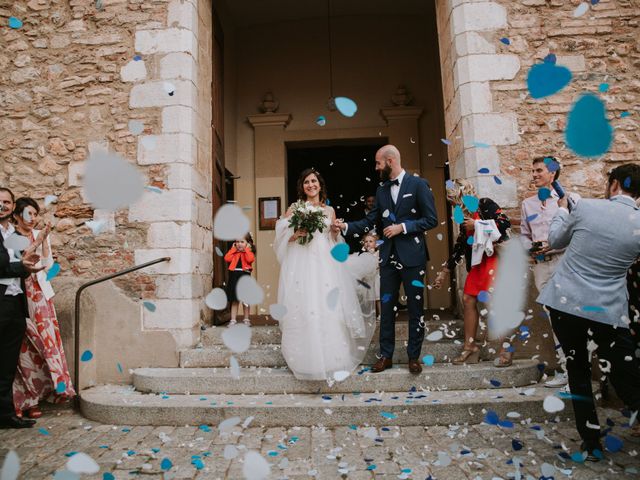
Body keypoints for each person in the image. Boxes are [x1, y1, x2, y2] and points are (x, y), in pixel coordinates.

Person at [537, 163, 640, 459]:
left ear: (615, 185)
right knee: (623, 368)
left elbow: (556, 240)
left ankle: (592, 443)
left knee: (578, 370)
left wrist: (561, 211)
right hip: (608, 309)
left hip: (566, 303)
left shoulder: (586, 208)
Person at [335, 145, 438, 374]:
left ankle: (414, 356)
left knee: (415, 308)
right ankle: (386, 355)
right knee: (387, 308)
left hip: (413, 257)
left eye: (378, 163)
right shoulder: (381, 190)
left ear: (390, 161)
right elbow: (370, 221)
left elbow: (432, 219)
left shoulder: (418, 185)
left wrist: (403, 227)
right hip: (388, 259)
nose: (376, 167)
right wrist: (345, 226)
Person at [274, 168, 377, 381]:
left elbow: (333, 241)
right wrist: (295, 234)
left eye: (314, 181)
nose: (310, 185)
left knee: (327, 307)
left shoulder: (329, 211)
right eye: (306, 182)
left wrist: (336, 232)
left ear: (320, 185)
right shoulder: (295, 208)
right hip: (302, 262)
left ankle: (332, 359)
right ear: (302, 187)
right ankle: (305, 360)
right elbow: (281, 238)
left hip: (324, 264)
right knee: (303, 305)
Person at [434, 179, 513, 366]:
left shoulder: (485, 204)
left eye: (451, 198)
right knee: (468, 300)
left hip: (494, 259)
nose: (450, 202)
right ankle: (470, 348)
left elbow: (504, 223)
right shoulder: (462, 216)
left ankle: (505, 350)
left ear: (459, 195)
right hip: (478, 264)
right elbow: (461, 245)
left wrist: (477, 225)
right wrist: (444, 271)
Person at [11, 197, 75, 418]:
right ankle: (25, 400)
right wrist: (38, 244)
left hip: (41, 295)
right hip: (20, 293)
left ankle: (52, 391)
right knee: (23, 348)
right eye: (29, 214)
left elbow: (49, 266)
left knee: (46, 344)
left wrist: (45, 260)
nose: (33, 219)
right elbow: (21, 262)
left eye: (35, 214)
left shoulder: (40, 235)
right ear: (17, 216)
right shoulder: (12, 237)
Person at [520, 157, 578, 388]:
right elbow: (524, 234)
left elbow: (577, 232)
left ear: (552, 174)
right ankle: (565, 369)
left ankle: (575, 371)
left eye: (539, 171)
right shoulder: (528, 204)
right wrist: (530, 249)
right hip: (541, 267)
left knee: (569, 316)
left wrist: (554, 245)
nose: (534, 175)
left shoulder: (568, 200)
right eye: (532, 171)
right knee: (554, 319)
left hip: (564, 262)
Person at [0, 188, 44, 429]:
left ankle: (5, 416)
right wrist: (22, 267)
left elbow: (21, 263)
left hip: (16, 305)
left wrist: (29, 267)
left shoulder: (15, 234)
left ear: (12, 205)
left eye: (7, 202)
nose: (3, 206)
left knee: (7, 365)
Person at [224, 233, 255, 326]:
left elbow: (250, 259)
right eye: (237, 242)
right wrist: (233, 249)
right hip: (234, 275)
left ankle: (246, 319)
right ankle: (233, 319)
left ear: (247, 243)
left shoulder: (249, 252)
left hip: (245, 276)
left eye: (242, 242)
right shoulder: (234, 252)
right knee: (235, 299)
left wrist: (246, 249)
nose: (239, 244)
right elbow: (227, 258)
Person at [361, 232, 381, 316]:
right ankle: (372, 315)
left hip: (377, 278)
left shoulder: (378, 254)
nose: (368, 243)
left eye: (370, 241)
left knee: (378, 297)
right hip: (368, 279)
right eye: (366, 241)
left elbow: (379, 264)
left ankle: (381, 314)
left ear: (376, 244)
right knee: (370, 298)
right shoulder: (363, 255)